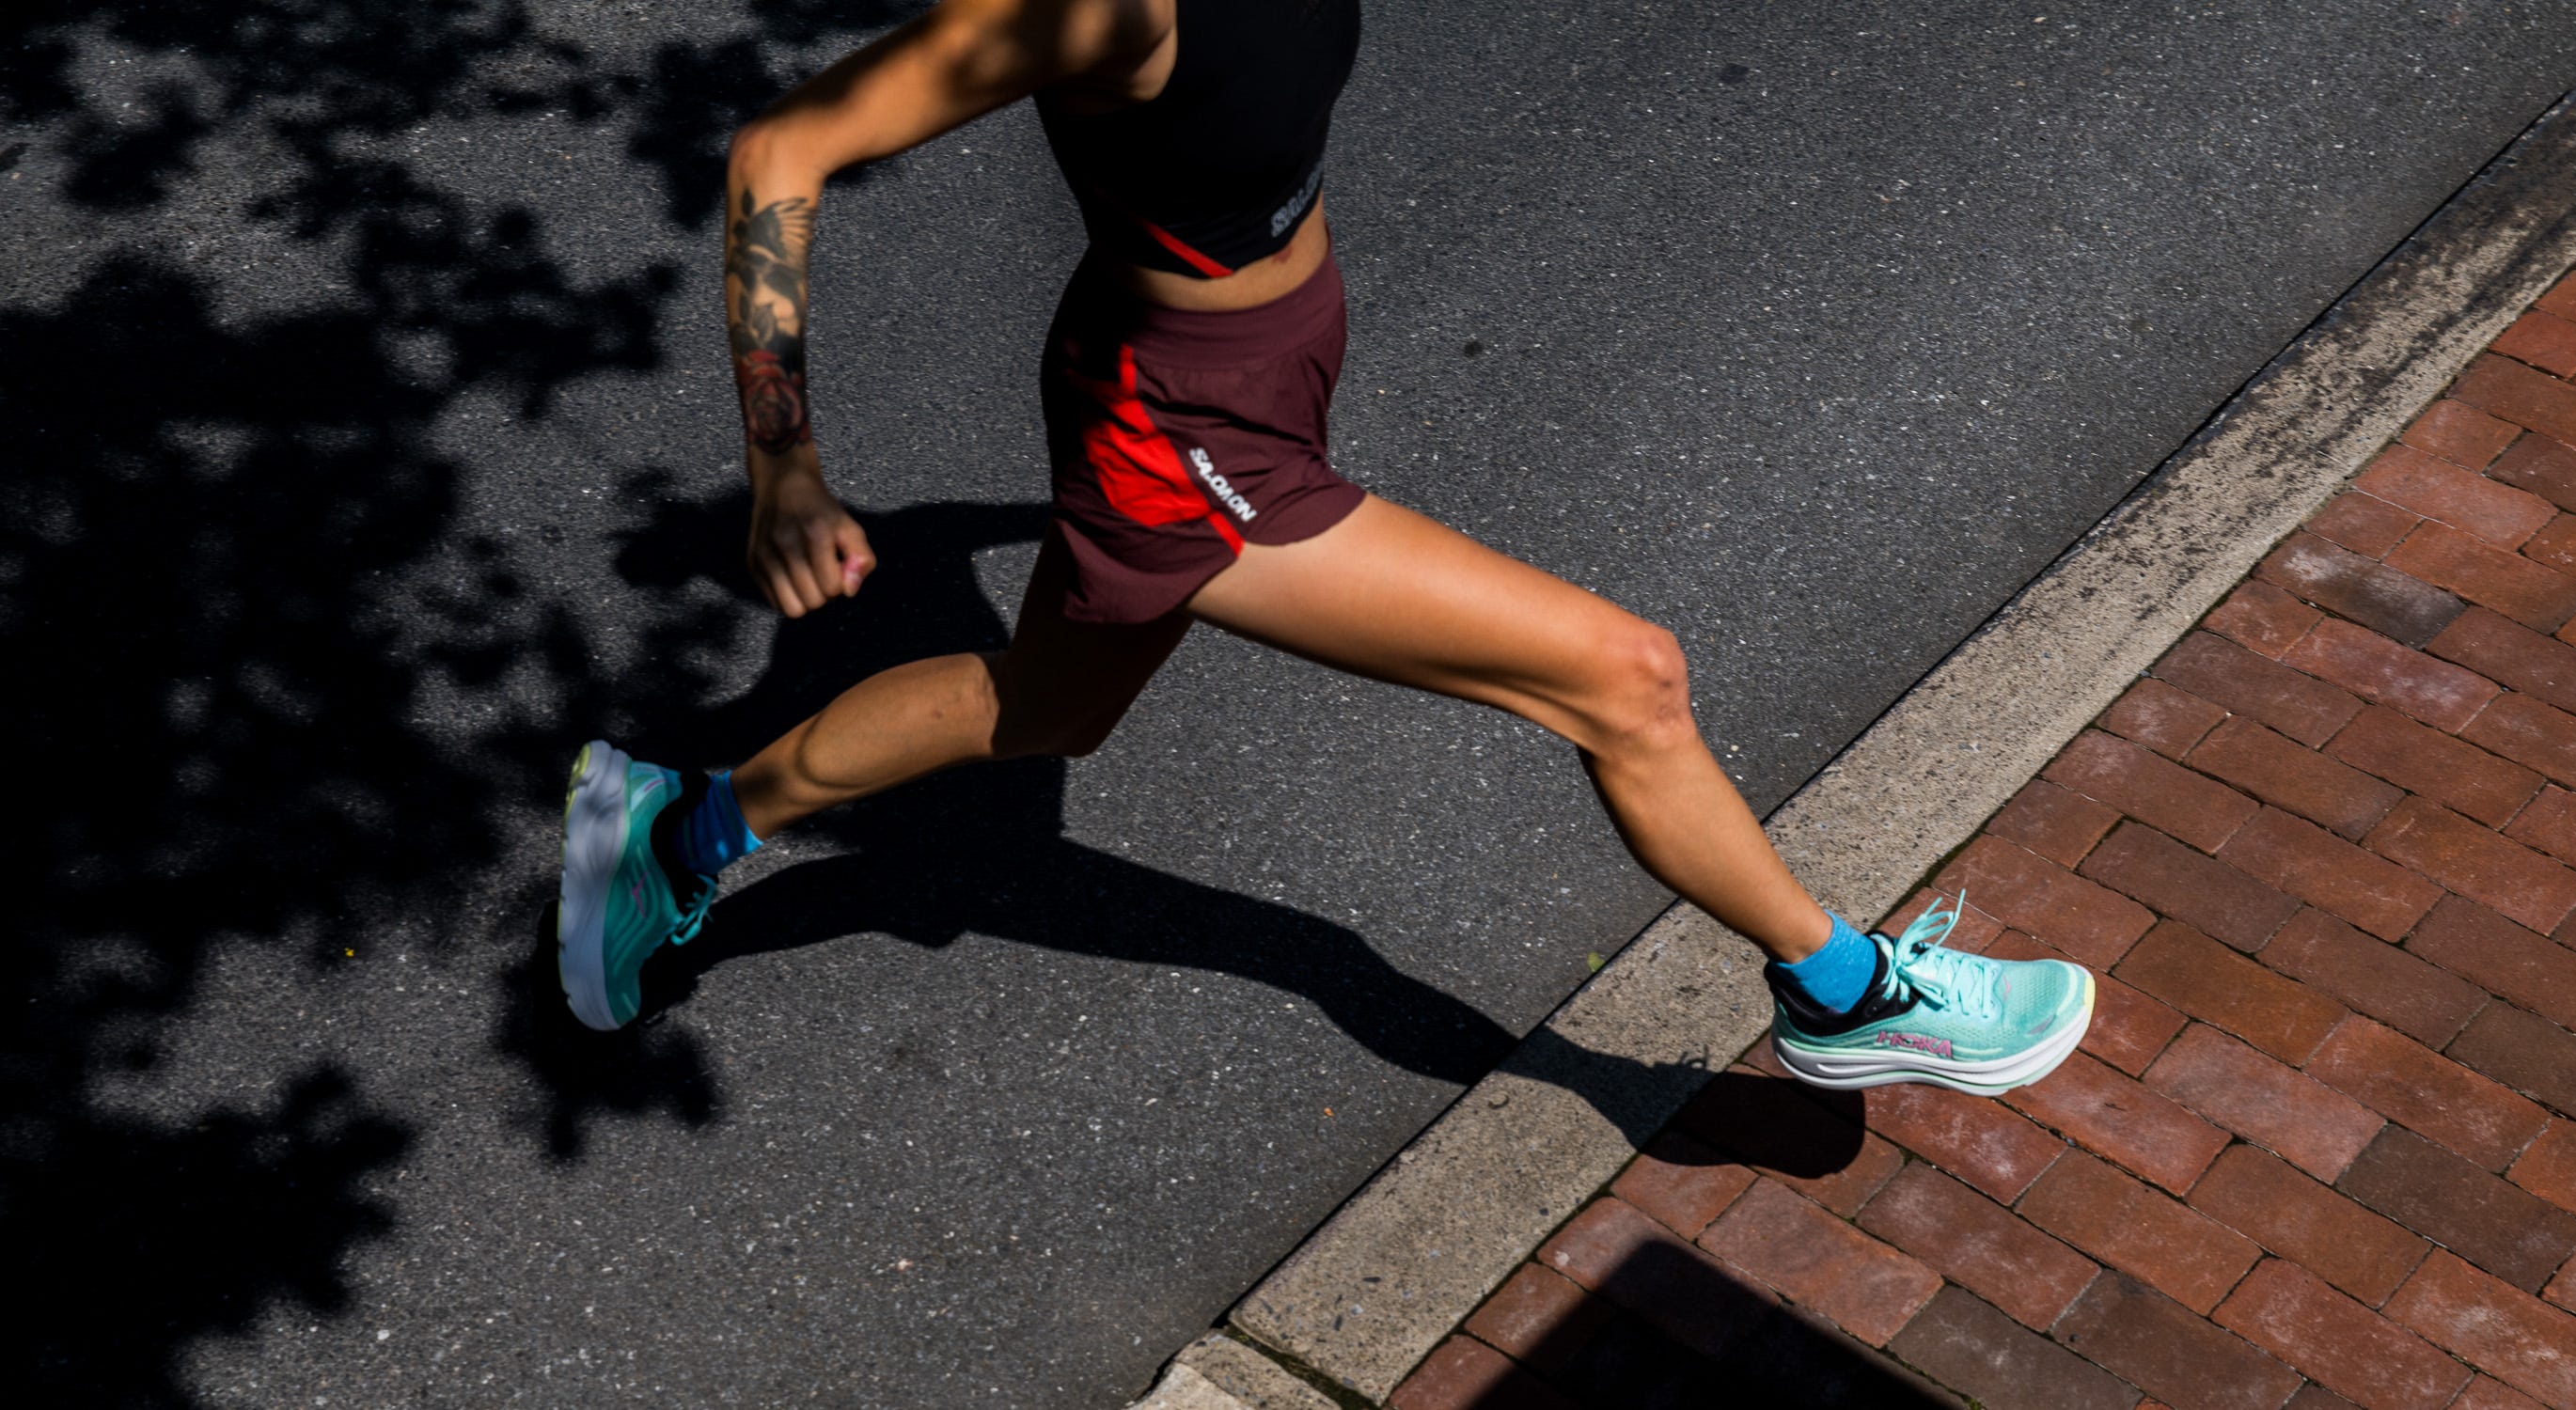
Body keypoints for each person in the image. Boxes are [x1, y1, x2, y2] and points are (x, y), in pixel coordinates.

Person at [556, 0, 2093, 1095]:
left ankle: (673, 832)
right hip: (1184, 434)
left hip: (1250, 371)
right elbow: (781, 150)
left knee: (1045, 708)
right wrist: (786, 468)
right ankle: (1844, 994)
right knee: (1621, 676)